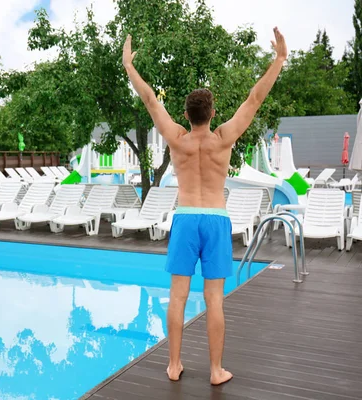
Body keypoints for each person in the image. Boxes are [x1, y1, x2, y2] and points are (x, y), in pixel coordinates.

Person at [122, 27, 287, 386]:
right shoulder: (223, 138)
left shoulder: (176, 139)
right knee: (214, 299)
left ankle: (173, 365)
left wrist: (129, 67)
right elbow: (254, 99)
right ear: (212, 112)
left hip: (184, 218)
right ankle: (215, 371)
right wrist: (279, 59)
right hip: (214, 219)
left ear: (186, 112)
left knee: (177, 296)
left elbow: (150, 101)